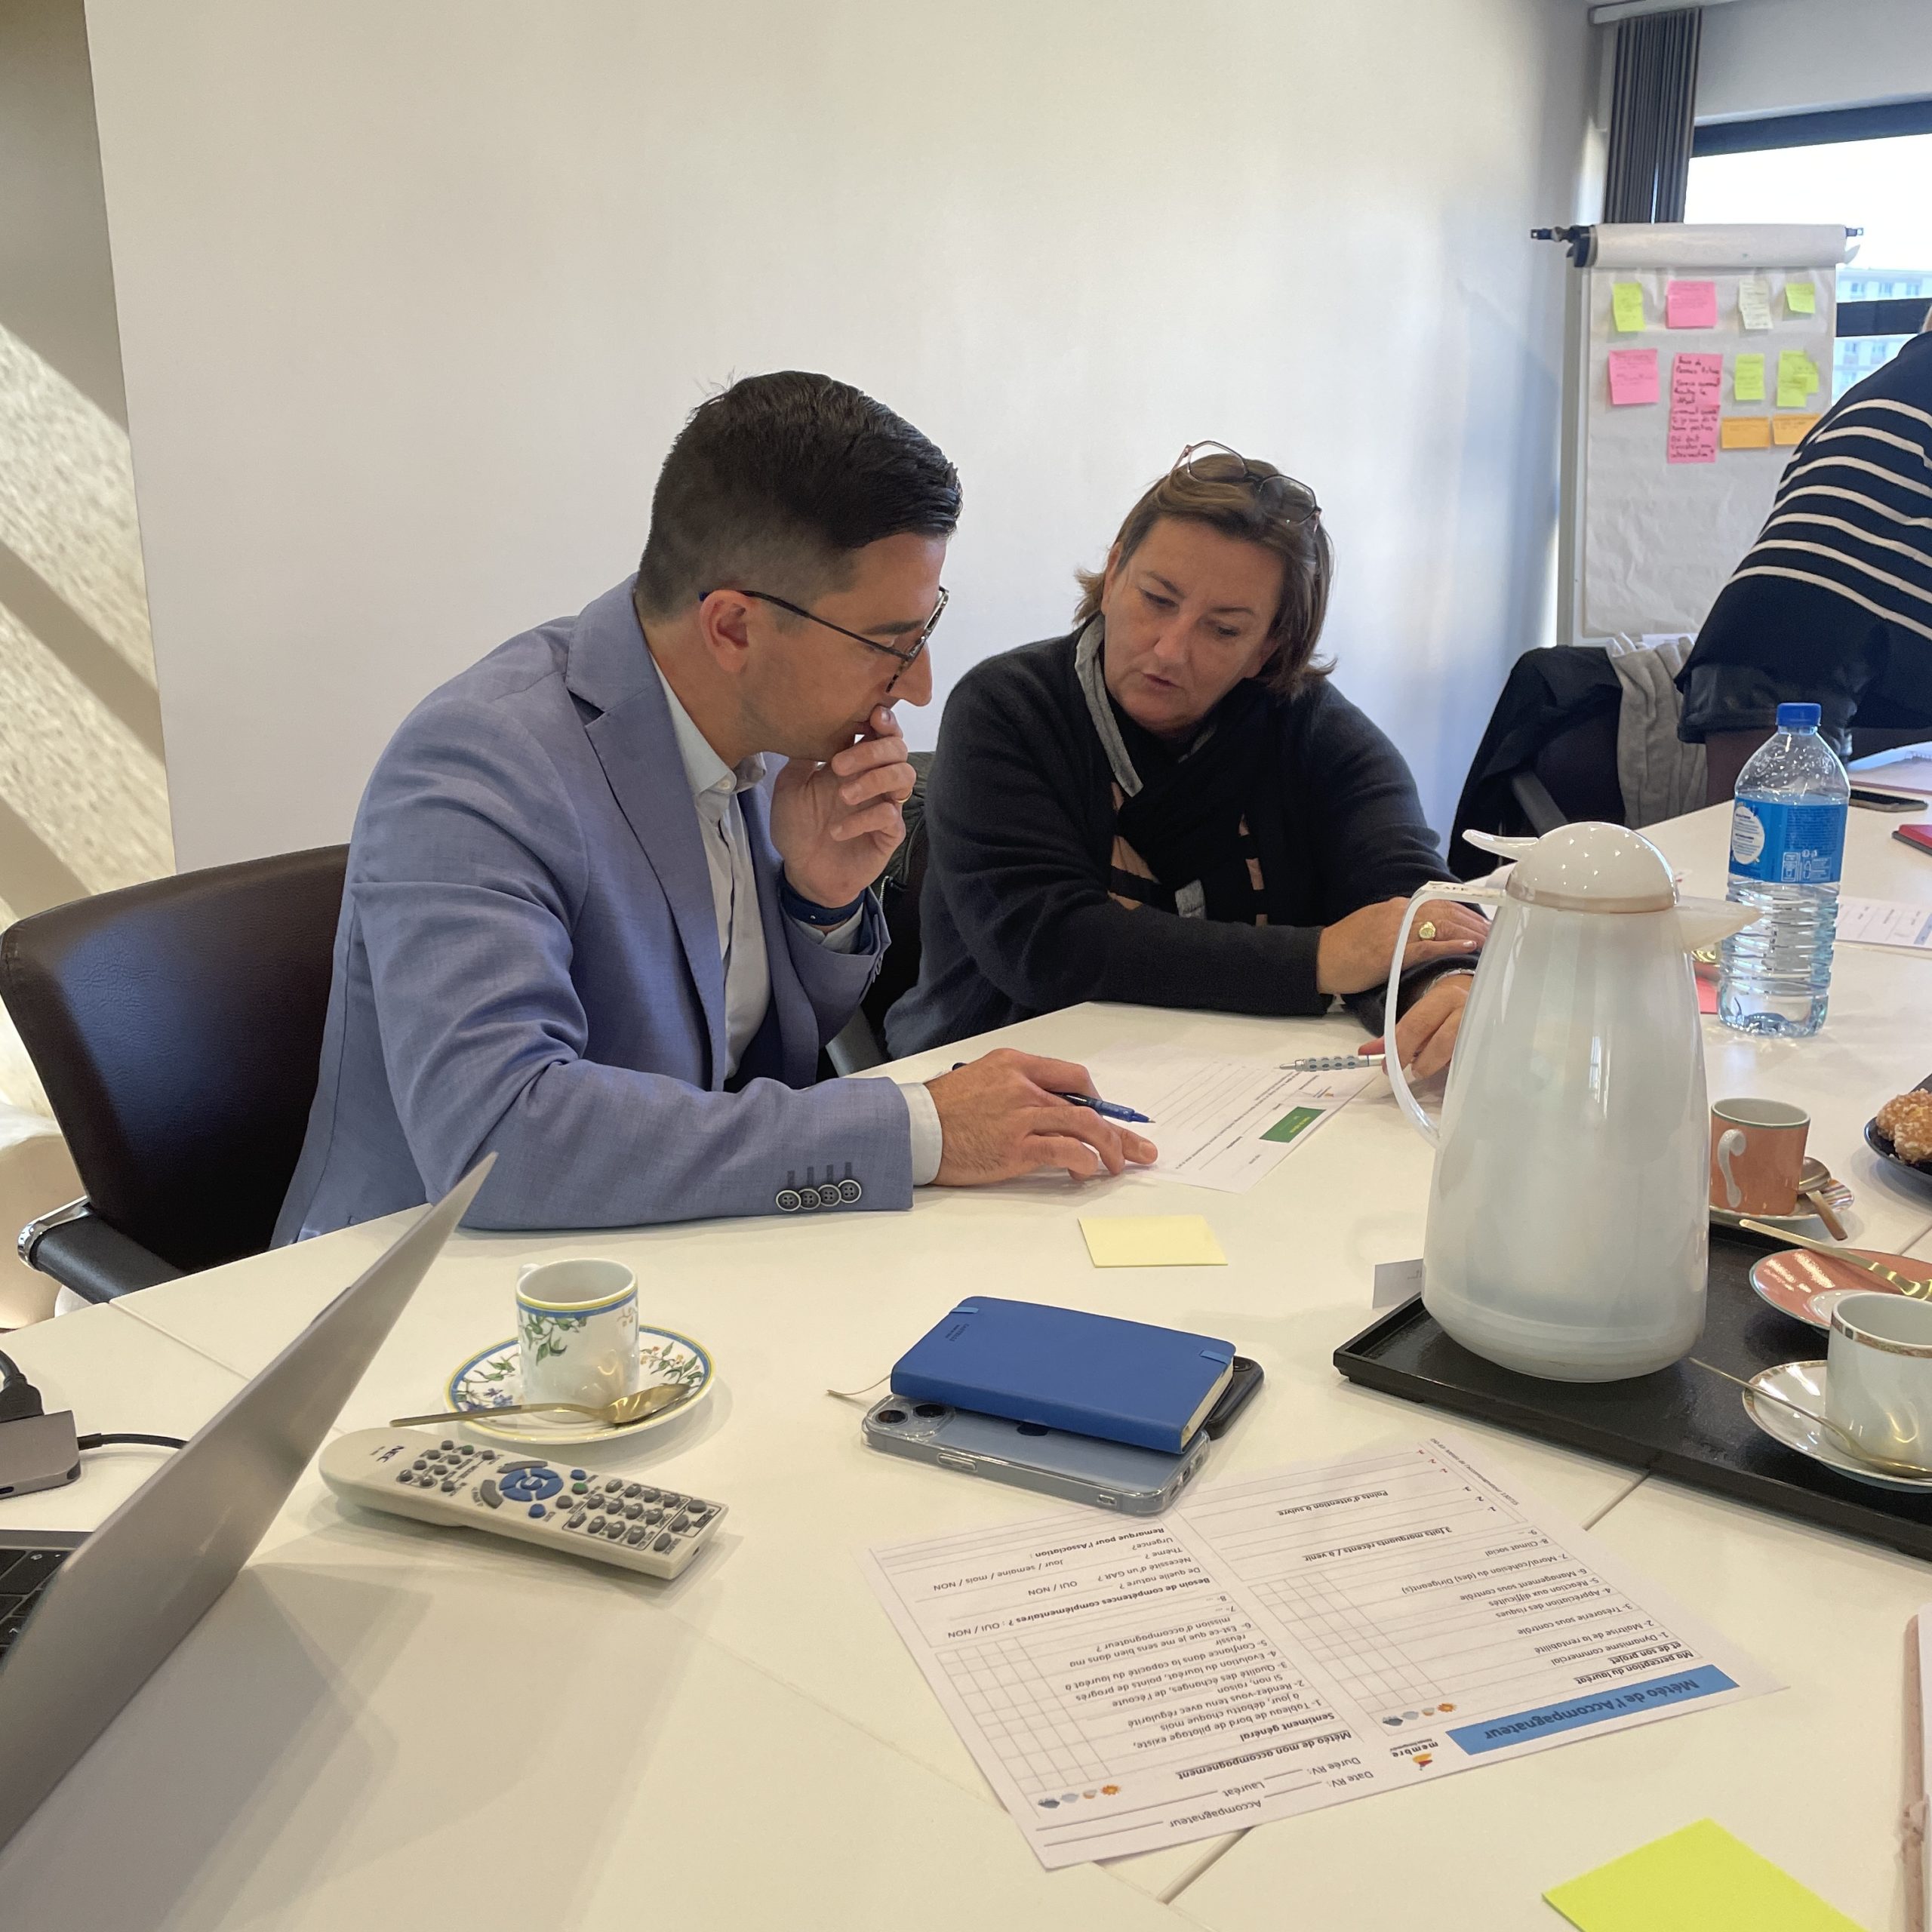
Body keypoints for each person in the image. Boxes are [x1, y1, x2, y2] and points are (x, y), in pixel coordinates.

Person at [275, 372, 1152, 1240]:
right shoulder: (482, 760)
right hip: (422, 1285)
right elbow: (502, 1142)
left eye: (924, 630)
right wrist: (918, 1127)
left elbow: (748, 1062)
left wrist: (818, 904)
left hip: (673, 1248)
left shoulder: (760, 728)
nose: (918, 685)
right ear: (733, 627)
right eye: (890, 642)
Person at [886, 443, 1484, 1073]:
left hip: (1233, 1078)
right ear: (1114, 574)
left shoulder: (1308, 727)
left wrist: (1445, 983)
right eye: (1157, 599)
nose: (1170, 650)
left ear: (1267, 647)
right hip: (992, 1070)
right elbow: (1047, 944)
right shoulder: (1008, 708)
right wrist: (1320, 957)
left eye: (1223, 629)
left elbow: (1409, 892)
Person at [1679, 306, 1932, 803]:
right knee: (1769, 842)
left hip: (1773, 636)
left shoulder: (1883, 387)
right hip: (1804, 646)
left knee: (1766, 840)